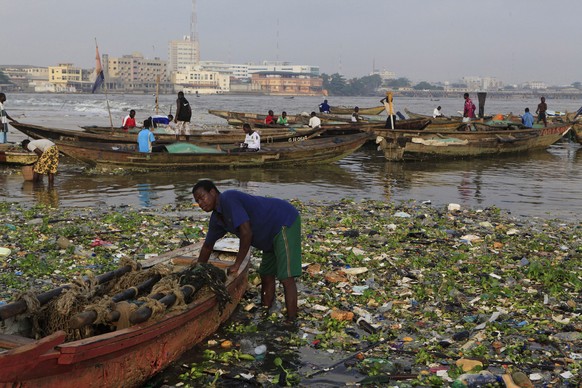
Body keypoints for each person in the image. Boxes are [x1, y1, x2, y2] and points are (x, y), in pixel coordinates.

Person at [192, 180, 301, 321]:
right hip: (267, 236)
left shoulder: (228, 199)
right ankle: (266, 312)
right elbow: (207, 246)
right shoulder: (217, 219)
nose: (201, 203)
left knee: (286, 277)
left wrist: (237, 264)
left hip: (283, 221)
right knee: (266, 274)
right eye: (197, 201)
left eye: (202, 197)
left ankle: (292, 322)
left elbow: (246, 232)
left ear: (213, 192)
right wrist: (197, 270)